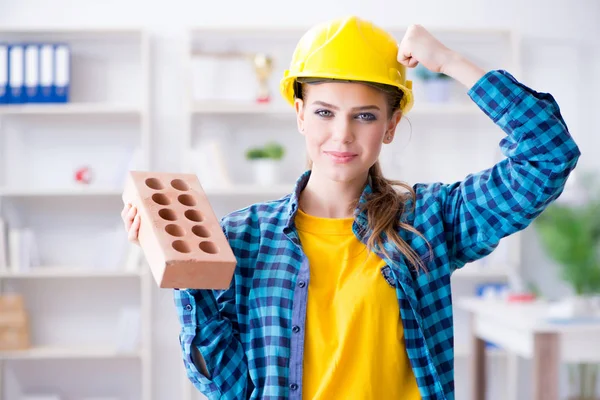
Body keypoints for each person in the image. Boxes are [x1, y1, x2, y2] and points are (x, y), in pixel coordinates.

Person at [121, 16, 581, 400]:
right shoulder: (241, 238)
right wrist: (185, 274)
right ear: (299, 114)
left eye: (364, 115)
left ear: (391, 125)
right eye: (324, 112)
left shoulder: (427, 223)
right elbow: (229, 388)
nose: (342, 134)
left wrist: (449, 62)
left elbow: (548, 154)